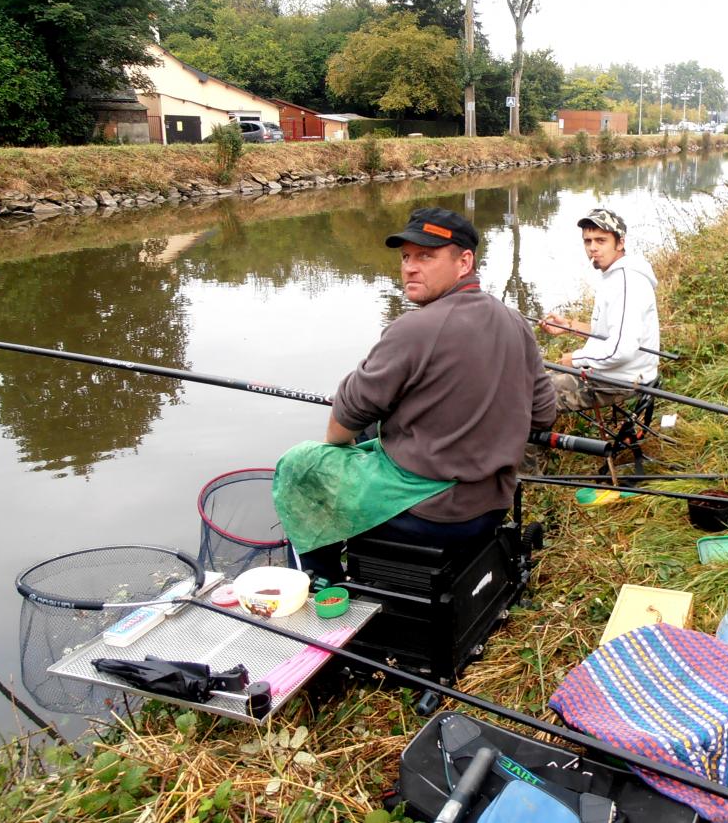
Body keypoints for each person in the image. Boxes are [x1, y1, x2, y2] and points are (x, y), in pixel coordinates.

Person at [272, 207, 557, 582]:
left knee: (300, 467)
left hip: (433, 514)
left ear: (464, 261)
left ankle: (322, 586)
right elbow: (543, 414)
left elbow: (339, 431)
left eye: (426, 256)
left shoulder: (414, 329)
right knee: (371, 438)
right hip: (491, 505)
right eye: (406, 256)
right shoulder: (515, 321)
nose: (409, 267)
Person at [540, 208, 661, 411]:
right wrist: (569, 326)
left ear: (620, 242)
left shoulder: (626, 283)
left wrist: (576, 359)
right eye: (588, 241)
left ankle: (527, 441)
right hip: (611, 372)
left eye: (601, 240)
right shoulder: (614, 275)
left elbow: (621, 349)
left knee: (528, 396)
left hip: (617, 381)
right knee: (530, 382)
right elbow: (609, 333)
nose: (593, 248)